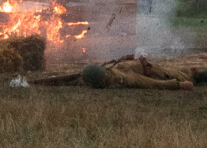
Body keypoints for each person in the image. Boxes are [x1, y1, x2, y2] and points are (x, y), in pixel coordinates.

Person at [29, 55, 193, 91]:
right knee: (184, 74)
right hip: (149, 71)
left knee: (187, 74)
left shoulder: (109, 76)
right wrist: (178, 84)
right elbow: (149, 82)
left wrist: (179, 83)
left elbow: (150, 84)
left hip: (149, 68)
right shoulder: (120, 79)